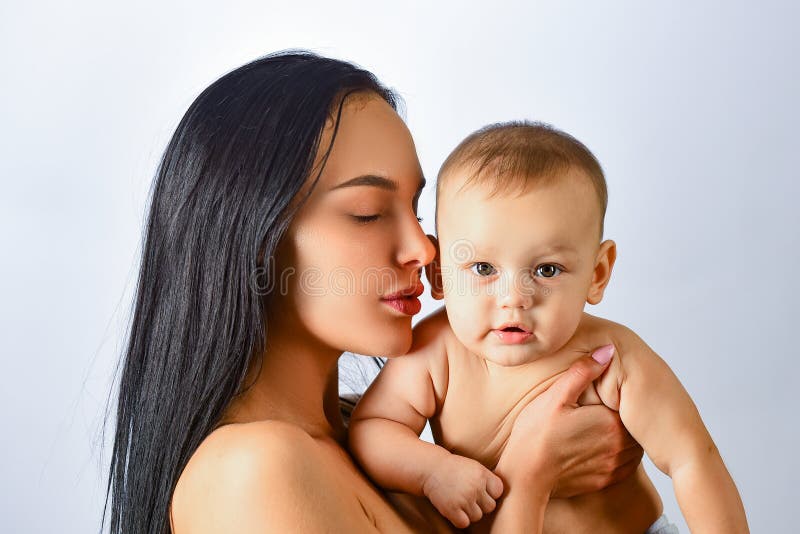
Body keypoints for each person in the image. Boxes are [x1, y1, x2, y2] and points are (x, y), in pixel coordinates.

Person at [104, 51, 645, 534]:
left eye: (416, 209)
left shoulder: (382, 443)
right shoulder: (252, 471)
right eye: (368, 213)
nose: (426, 249)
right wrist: (531, 476)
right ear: (255, 238)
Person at [349, 122, 750, 533]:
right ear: (438, 274)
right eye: (483, 268)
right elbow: (373, 430)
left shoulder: (613, 357)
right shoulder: (435, 353)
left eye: (546, 269)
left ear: (597, 273)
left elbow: (691, 457)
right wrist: (432, 471)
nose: (515, 297)